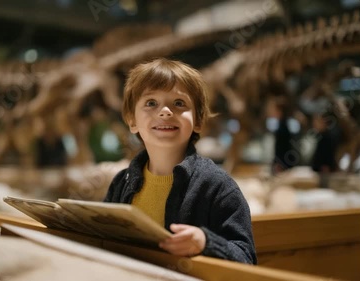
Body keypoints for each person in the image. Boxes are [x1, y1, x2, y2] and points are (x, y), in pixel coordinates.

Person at [104, 58, 256, 264]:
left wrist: (206, 243)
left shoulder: (218, 186)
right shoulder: (122, 183)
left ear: (199, 120)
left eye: (179, 103)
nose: (165, 111)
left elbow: (246, 259)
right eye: (151, 103)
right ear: (132, 121)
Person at [310, 111, 340, 187]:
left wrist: (326, 167)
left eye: (317, 121)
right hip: (319, 172)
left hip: (325, 172)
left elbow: (329, 155)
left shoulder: (328, 137)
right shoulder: (321, 136)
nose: (314, 124)